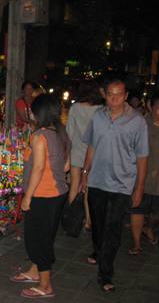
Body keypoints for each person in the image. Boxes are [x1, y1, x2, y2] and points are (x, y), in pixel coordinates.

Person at [81, 75, 148, 292]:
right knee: (98, 225)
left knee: (113, 228)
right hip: (97, 180)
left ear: (126, 96)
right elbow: (91, 145)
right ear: (105, 95)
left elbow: (142, 157)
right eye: (110, 95)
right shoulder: (98, 117)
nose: (114, 99)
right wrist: (85, 171)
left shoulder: (137, 121)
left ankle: (106, 273)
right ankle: (99, 251)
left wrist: (139, 187)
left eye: (119, 95)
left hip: (122, 183)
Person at [10, 94, 70, 299]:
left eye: (32, 110)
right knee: (45, 235)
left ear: (39, 113)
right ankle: (35, 271)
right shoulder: (61, 134)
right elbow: (67, 166)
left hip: (42, 195)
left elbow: (37, 169)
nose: (29, 113)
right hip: (57, 193)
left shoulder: (39, 137)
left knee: (38, 240)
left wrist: (28, 197)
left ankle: (46, 285)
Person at [129, 95, 159, 255]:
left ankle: (148, 227)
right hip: (145, 177)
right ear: (151, 107)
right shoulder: (143, 126)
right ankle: (136, 243)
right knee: (139, 209)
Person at [66, 80, 102, 231]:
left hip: (76, 151)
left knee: (74, 185)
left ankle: (71, 218)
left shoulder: (75, 108)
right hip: (93, 153)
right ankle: (88, 220)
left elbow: (69, 131)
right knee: (88, 188)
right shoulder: (101, 109)